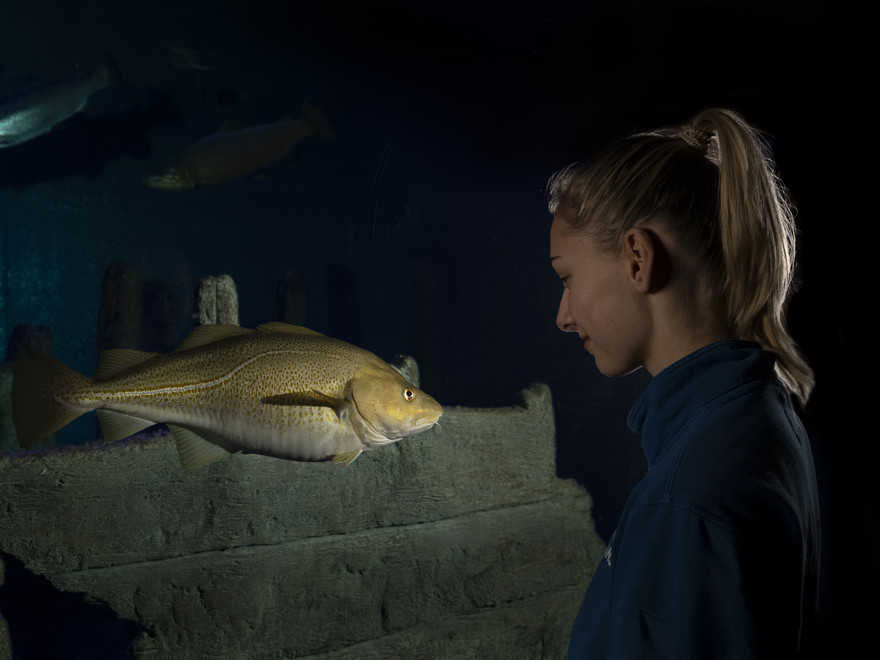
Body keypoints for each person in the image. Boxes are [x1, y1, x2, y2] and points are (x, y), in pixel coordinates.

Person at [548, 108, 820, 659]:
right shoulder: (759, 415)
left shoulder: (684, 501)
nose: (563, 315)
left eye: (567, 278)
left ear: (637, 258)